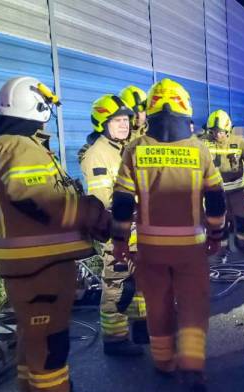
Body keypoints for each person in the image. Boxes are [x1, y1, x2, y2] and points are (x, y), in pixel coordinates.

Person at [0, 76, 111, 392]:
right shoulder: (19, 146)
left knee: (32, 329)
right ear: (36, 106)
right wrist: (93, 214)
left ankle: (33, 389)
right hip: (40, 263)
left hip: (28, 262)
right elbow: (42, 200)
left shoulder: (4, 144)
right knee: (50, 332)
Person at [112, 78, 226, 392]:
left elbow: (122, 201)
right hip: (191, 247)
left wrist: (120, 242)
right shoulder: (198, 150)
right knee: (192, 304)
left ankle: (163, 362)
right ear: (185, 110)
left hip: (151, 249)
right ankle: (192, 364)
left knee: (158, 304)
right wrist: (216, 234)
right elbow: (215, 199)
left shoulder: (136, 149)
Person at [79, 94, 148, 356]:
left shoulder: (124, 148)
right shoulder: (98, 154)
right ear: (102, 123)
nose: (124, 125)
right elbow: (103, 199)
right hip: (116, 228)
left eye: (126, 120)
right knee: (117, 283)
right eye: (117, 120)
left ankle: (141, 325)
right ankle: (115, 338)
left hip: (135, 225)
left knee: (139, 278)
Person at [199, 109, 244, 253]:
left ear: (228, 130)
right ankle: (221, 251)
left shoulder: (238, 142)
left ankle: (242, 245)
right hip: (214, 191)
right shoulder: (202, 142)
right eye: (213, 131)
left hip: (237, 189)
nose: (216, 135)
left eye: (220, 132)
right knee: (218, 223)